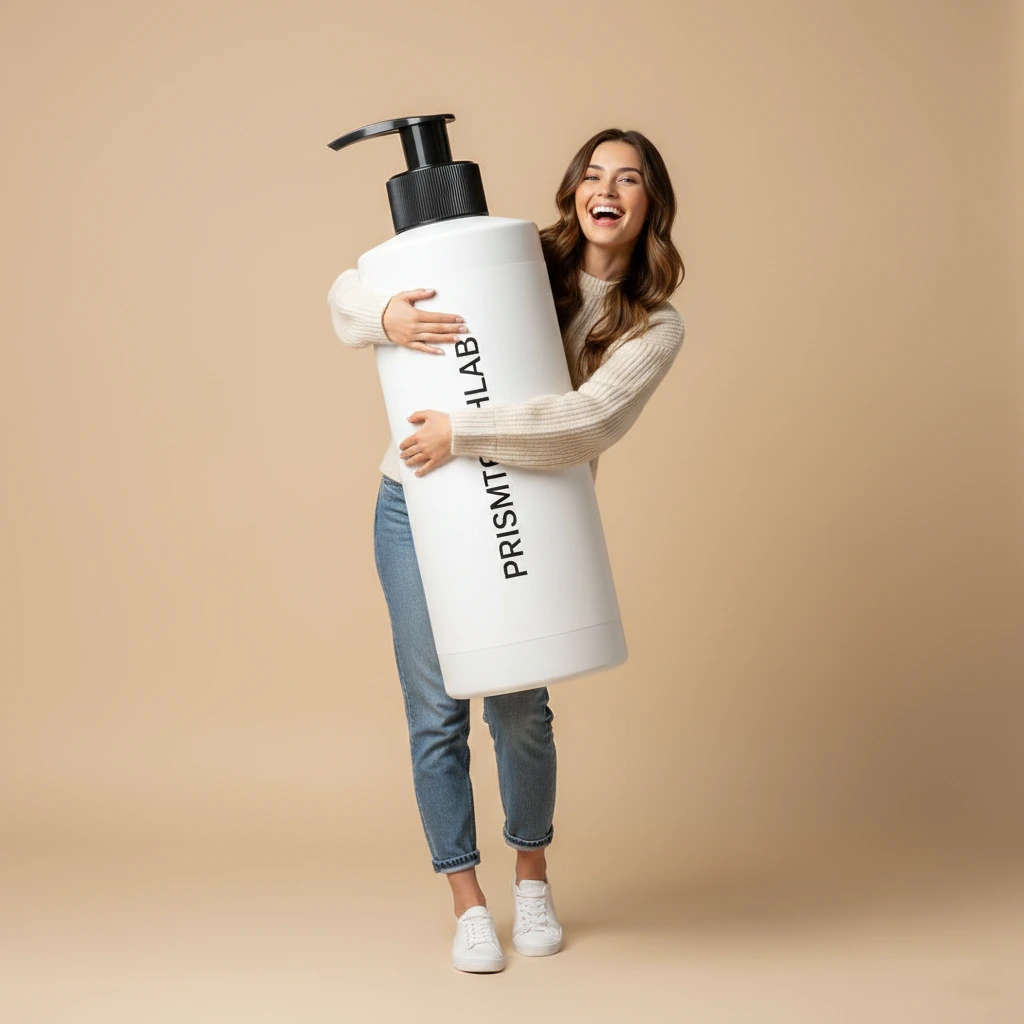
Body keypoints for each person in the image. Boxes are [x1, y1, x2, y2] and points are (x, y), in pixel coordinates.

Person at [327, 128, 686, 973]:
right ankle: (468, 902)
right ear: (571, 192)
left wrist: (465, 432)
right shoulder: (508, 252)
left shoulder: (655, 327)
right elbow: (347, 289)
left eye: (628, 179)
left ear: (649, 205)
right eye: (592, 173)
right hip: (412, 505)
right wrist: (386, 315)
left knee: (521, 715)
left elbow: (587, 422)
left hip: (526, 519)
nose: (607, 188)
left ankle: (531, 878)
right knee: (436, 715)